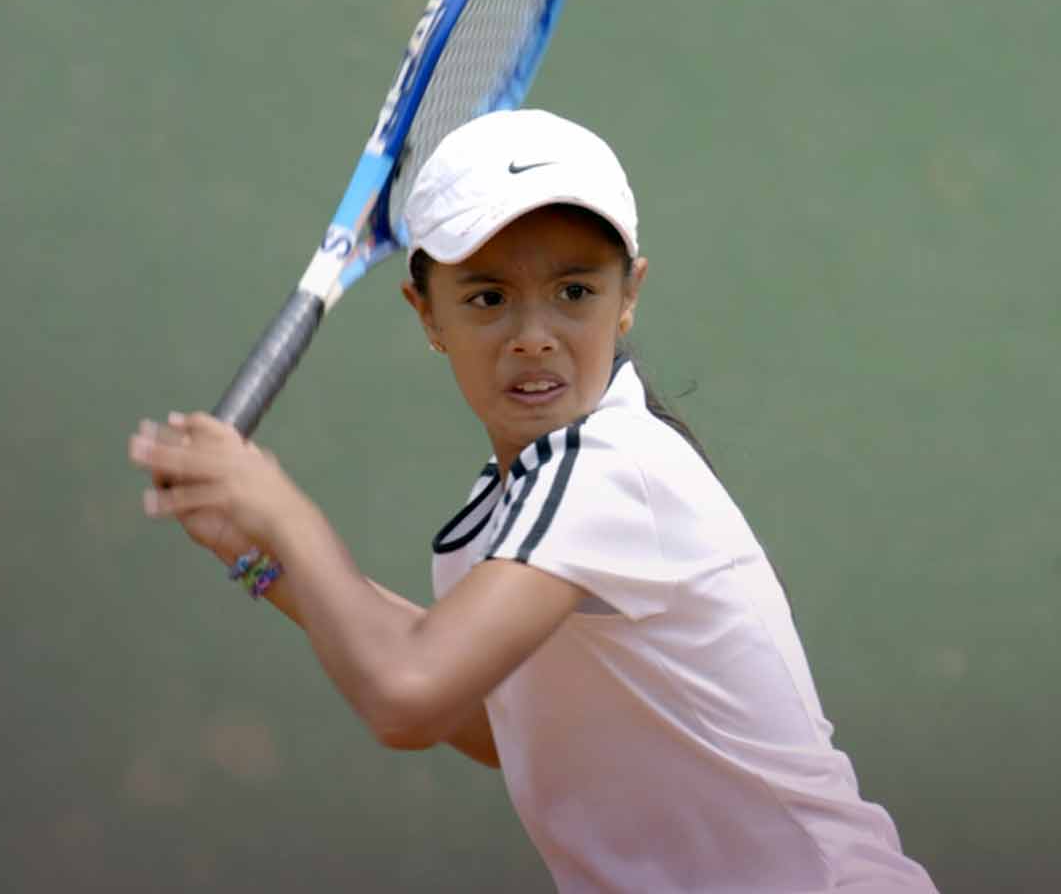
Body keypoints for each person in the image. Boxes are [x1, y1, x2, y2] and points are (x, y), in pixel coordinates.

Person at [128, 109, 936, 893]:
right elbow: (496, 723)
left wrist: (285, 512)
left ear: (629, 296)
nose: (535, 334)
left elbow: (406, 697)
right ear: (427, 314)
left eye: (576, 292)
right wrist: (255, 554)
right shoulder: (517, 501)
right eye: (487, 298)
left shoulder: (609, 469)